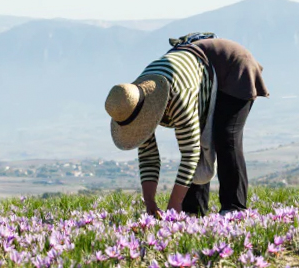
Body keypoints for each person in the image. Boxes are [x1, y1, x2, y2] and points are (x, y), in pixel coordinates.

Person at [104, 33, 268, 217]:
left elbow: (191, 151)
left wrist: (174, 204)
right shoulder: (134, 103)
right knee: (200, 136)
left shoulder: (177, 96)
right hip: (199, 71)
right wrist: (150, 203)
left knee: (225, 135)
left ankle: (234, 209)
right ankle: (193, 211)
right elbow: (148, 156)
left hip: (232, 65)